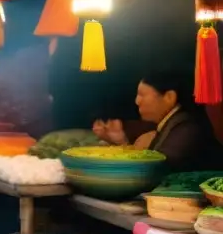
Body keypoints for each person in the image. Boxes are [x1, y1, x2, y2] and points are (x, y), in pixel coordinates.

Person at [93, 69, 222, 171]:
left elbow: (158, 167)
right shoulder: (172, 124)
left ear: (169, 97)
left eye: (142, 95)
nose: (137, 101)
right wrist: (122, 141)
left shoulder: (187, 128)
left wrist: (126, 149)